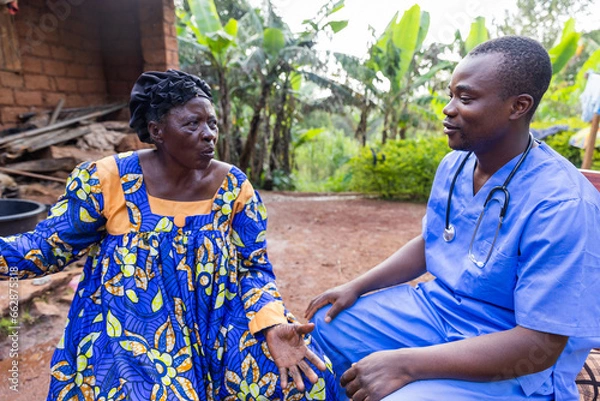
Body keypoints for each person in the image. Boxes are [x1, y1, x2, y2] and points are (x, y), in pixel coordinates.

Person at [0, 70, 338, 400]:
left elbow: (253, 267)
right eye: (192, 124)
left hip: (218, 322)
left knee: (304, 382)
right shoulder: (108, 180)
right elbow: (46, 248)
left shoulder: (232, 187)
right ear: (157, 131)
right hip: (134, 330)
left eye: (212, 123)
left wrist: (272, 323)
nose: (208, 134)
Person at [305, 36, 600, 401]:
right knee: (325, 326)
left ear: (518, 106)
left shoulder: (563, 203)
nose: (448, 109)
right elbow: (433, 242)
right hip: (437, 310)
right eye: (450, 95)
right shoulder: (456, 164)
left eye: (466, 98)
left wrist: (407, 364)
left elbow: (540, 345)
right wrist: (357, 286)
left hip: (513, 351)